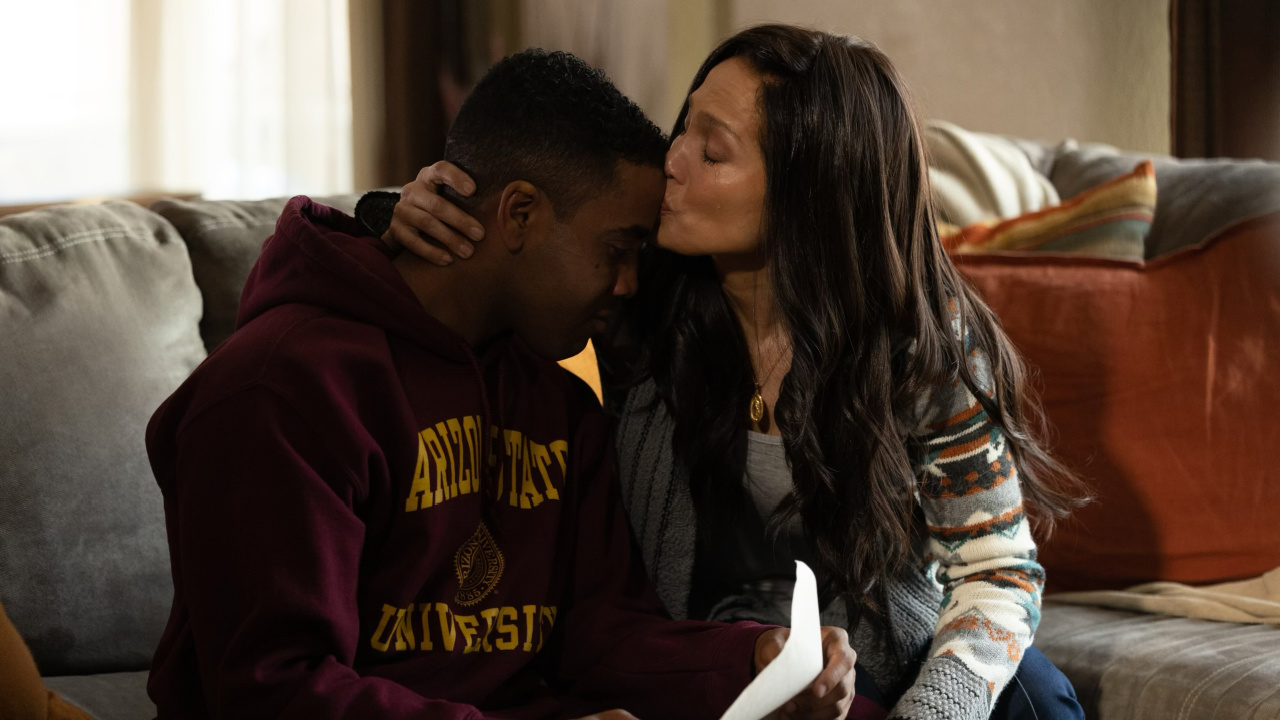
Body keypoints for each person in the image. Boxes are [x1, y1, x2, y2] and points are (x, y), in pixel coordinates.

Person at [366, 25, 1090, 720]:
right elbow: (509, 266)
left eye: (711, 152)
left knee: (1032, 694)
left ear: (809, 192)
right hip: (713, 662)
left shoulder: (918, 343)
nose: (671, 159)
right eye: (684, 127)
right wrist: (402, 213)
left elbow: (998, 575)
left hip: (878, 659)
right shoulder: (639, 302)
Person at [145, 48, 858, 720]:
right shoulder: (279, 390)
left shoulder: (556, 398)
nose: (630, 284)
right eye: (617, 249)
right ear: (518, 215)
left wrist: (757, 660)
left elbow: (599, 630)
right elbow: (274, 690)